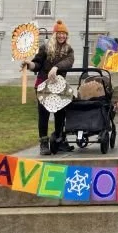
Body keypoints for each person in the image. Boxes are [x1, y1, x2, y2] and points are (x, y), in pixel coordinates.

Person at [21, 19, 75, 155]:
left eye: (64, 34)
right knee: (43, 114)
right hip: (43, 85)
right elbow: (37, 64)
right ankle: (44, 144)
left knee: (60, 114)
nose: (62, 36)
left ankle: (59, 140)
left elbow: (69, 62)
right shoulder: (45, 48)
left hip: (59, 86)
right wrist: (29, 64)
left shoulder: (69, 50)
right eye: (59, 33)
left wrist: (56, 68)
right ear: (54, 34)